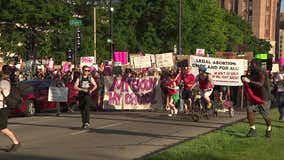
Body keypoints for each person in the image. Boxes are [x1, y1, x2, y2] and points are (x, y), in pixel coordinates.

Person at [241, 59, 272, 137]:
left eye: (251, 64)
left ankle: (269, 128)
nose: (250, 66)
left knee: (266, 116)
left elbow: (260, 84)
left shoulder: (261, 72)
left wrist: (249, 81)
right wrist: (244, 77)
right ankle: (252, 129)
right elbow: (248, 80)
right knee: (249, 111)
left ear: (255, 64)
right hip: (254, 97)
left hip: (263, 97)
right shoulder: (253, 72)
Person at [0, 65, 21, 152]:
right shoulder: (5, 81)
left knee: (3, 128)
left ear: (3, 71)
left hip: (2, 108)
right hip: (1, 106)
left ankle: (16, 142)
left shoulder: (4, 82)